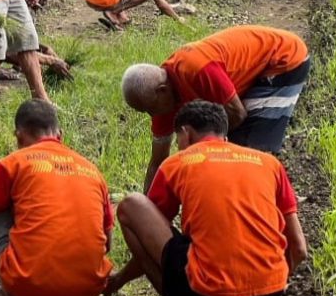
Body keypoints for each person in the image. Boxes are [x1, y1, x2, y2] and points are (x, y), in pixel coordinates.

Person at [105, 101, 308, 296]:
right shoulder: (269, 163)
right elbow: (300, 249)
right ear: (223, 132)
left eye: (178, 140)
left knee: (132, 205)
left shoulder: (177, 163)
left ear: (185, 133)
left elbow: (149, 242)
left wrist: (118, 280)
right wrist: (271, 282)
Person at [0, 100, 114, 296]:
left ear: (19, 136)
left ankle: (8, 292)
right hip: (86, 293)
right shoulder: (92, 170)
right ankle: (63, 293)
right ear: (59, 135)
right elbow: (107, 244)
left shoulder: (12, 164)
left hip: (28, 290)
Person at [121, 24, 310, 191]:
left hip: (283, 58)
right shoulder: (160, 99)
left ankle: (271, 198)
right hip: (245, 76)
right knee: (221, 159)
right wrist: (148, 207)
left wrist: (208, 150)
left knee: (247, 153)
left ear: (162, 90)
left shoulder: (197, 69)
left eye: (149, 109)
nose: (151, 115)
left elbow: (237, 114)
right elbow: (157, 162)